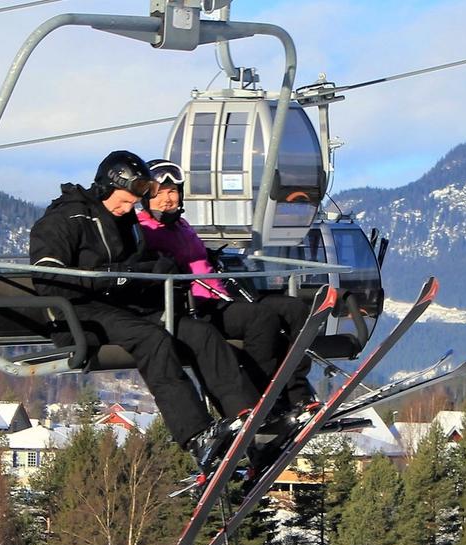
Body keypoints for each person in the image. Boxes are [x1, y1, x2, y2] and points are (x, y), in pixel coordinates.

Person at [29, 150, 260, 475]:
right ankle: (196, 435)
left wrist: (152, 269)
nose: (127, 210)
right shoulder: (66, 219)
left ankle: (247, 421)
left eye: (132, 204)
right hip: (78, 313)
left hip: (123, 306)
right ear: (106, 187)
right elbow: (48, 279)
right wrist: (112, 277)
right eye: (123, 202)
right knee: (152, 339)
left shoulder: (125, 222)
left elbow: (133, 267)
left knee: (200, 333)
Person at [136, 159, 315, 415]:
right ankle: (262, 393)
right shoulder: (145, 231)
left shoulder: (182, 226)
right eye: (158, 193)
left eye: (172, 192)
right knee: (261, 319)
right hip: (197, 305)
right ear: (145, 197)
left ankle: (297, 392)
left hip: (223, 295)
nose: (167, 199)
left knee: (295, 309)